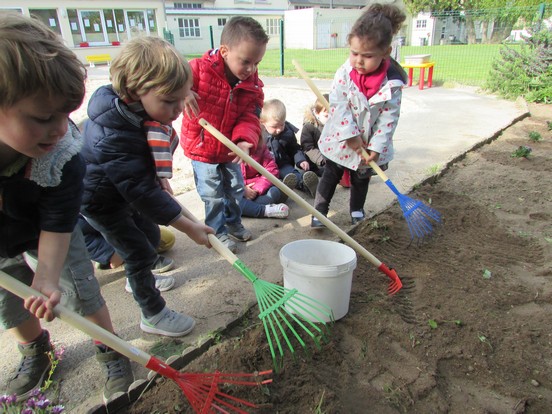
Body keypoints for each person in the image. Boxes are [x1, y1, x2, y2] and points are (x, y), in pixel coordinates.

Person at [0, 15, 133, 403]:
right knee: (9, 302)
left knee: (78, 292)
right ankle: (36, 350)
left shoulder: (61, 157)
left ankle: (110, 348)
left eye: (66, 114)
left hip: (50, 232)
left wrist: (45, 275)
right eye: (44, 118)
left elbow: (58, 222)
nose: (60, 128)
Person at [80, 36, 214, 338]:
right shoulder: (112, 134)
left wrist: (159, 178)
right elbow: (141, 192)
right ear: (133, 89)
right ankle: (152, 313)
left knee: (151, 236)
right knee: (139, 252)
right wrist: (188, 226)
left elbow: (146, 167)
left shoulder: (139, 112)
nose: (179, 109)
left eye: (183, 98)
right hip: (102, 202)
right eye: (170, 101)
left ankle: (135, 276)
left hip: (124, 192)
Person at [311, 3, 407, 228]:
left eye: (367, 56)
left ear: (386, 53)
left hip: (370, 141)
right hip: (341, 136)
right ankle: (319, 212)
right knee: (330, 173)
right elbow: (338, 103)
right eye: (354, 53)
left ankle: (356, 211)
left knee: (361, 178)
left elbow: (389, 119)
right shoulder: (345, 73)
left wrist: (376, 147)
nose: (359, 61)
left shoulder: (392, 83)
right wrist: (349, 134)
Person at [181, 16, 269, 253]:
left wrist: (244, 140)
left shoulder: (253, 85)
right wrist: (182, 91)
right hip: (202, 149)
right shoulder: (198, 68)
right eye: (246, 61)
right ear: (224, 51)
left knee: (235, 189)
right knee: (212, 194)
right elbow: (173, 79)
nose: (251, 69)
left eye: (257, 63)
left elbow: (250, 115)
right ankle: (217, 232)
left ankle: (232, 223)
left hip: (230, 149)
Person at [78, 216, 177, 292]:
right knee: (122, 252)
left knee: (167, 240)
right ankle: (137, 279)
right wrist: (110, 253)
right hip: (90, 234)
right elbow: (115, 261)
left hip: (110, 223)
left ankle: (140, 252)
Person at [261, 99, 319, 198]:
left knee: (292, 175)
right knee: (268, 182)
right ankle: (281, 191)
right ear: (263, 122)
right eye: (274, 126)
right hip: (264, 168)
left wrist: (301, 160)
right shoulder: (258, 135)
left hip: (282, 164)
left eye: (282, 125)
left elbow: (295, 149)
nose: (279, 129)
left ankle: (306, 186)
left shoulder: (287, 132)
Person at [240, 134, 289, 219]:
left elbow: (271, 169)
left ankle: (280, 194)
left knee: (274, 191)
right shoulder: (228, 152)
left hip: (258, 186)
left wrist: (256, 189)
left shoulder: (261, 148)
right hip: (239, 192)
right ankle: (264, 208)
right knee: (232, 204)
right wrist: (243, 189)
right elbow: (227, 179)